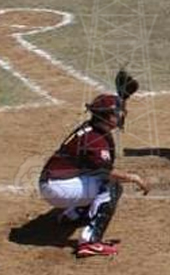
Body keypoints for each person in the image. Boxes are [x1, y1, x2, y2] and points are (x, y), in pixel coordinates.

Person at [39, 93, 149, 258]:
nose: (120, 115)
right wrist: (134, 178)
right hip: (58, 188)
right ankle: (90, 242)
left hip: (56, 182)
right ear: (106, 117)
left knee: (98, 179)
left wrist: (123, 97)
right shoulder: (95, 139)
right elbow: (107, 172)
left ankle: (73, 215)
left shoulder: (93, 128)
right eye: (116, 113)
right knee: (111, 186)